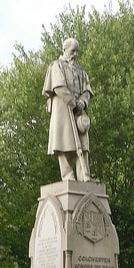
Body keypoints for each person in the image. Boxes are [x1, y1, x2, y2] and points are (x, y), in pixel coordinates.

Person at [42, 38, 93, 182]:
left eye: (77, 51)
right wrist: (73, 102)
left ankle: (84, 175)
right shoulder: (56, 66)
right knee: (63, 142)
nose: (75, 54)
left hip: (78, 112)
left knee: (82, 144)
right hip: (63, 110)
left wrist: (82, 102)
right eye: (72, 51)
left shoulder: (80, 71)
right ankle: (68, 175)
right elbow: (58, 87)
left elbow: (87, 90)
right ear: (64, 50)